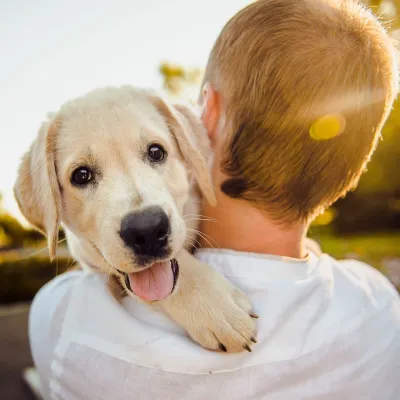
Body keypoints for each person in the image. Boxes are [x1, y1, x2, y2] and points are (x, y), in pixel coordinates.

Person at [28, 0, 400, 399]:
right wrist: (182, 280)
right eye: (83, 175)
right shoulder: (379, 309)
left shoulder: (67, 320)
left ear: (206, 112)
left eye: (155, 153)